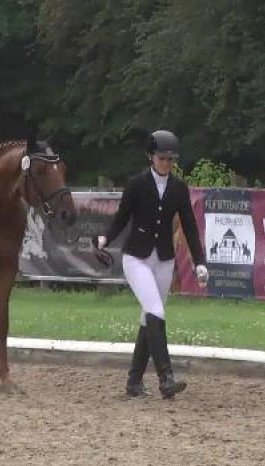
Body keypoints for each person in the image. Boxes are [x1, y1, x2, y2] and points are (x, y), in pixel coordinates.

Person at [94, 130, 208, 399]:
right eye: (162, 158)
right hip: (137, 258)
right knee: (156, 310)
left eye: (170, 159)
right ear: (151, 157)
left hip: (164, 260)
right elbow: (122, 217)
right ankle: (165, 377)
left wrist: (199, 261)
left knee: (149, 317)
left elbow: (190, 227)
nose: (166, 163)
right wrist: (105, 238)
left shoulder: (179, 188)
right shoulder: (137, 184)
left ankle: (134, 381)